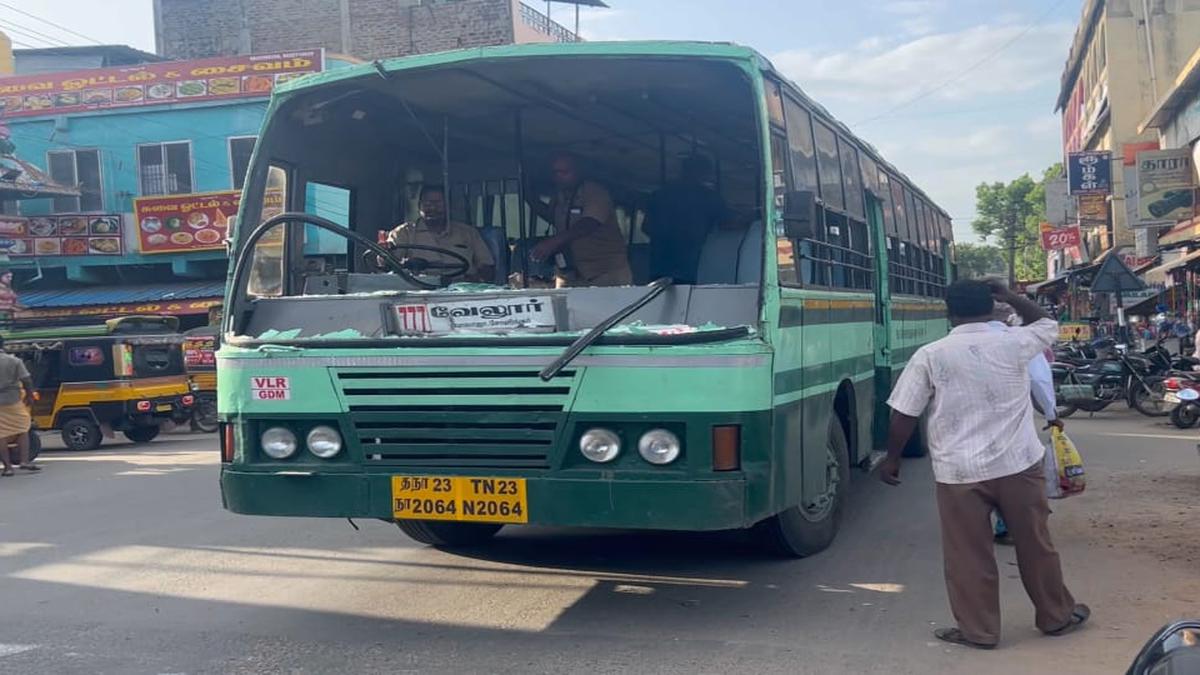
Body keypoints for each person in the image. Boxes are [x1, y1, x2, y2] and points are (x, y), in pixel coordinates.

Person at [880, 279, 1088, 649]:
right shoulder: (1014, 342)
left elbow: (903, 413)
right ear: (992, 307)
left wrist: (892, 459)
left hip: (959, 472)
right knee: (1035, 544)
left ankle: (979, 631)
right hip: (1018, 465)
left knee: (967, 555)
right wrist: (1010, 296)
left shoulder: (931, 354)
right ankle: (1056, 617)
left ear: (948, 312)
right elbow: (1046, 324)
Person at [987, 302, 1063, 546]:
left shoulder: (950, 343)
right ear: (1009, 318)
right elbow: (1039, 380)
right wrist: (1052, 414)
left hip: (972, 426)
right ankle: (1012, 523)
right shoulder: (1019, 340)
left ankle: (988, 523)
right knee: (1016, 473)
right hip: (1013, 422)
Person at [526, 152, 632, 287]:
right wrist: (530, 199)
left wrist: (552, 242)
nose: (559, 176)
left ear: (579, 171)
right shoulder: (559, 195)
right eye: (555, 172)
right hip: (570, 273)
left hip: (604, 273)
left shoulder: (595, 192)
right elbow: (553, 218)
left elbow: (589, 223)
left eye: (564, 172)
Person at [642, 154, 729, 284]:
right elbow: (728, 224)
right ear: (704, 173)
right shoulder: (709, 198)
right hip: (692, 267)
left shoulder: (659, 195)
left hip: (659, 267)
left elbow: (646, 227)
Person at [383, 186, 495, 283]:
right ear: (419, 206)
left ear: (448, 205)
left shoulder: (468, 233)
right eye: (427, 203)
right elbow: (388, 264)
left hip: (462, 291)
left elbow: (486, 266)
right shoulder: (403, 233)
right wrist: (385, 255)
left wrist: (475, 280)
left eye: (438, 203)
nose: (432, 208)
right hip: (418, 290)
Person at [0, 336, 37, 477]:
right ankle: (24, 461)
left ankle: (8, 467)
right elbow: (26, 379)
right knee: (23, 428)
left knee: (1, 434)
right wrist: (29, 395)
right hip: (13, 400)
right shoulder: (14, 361)